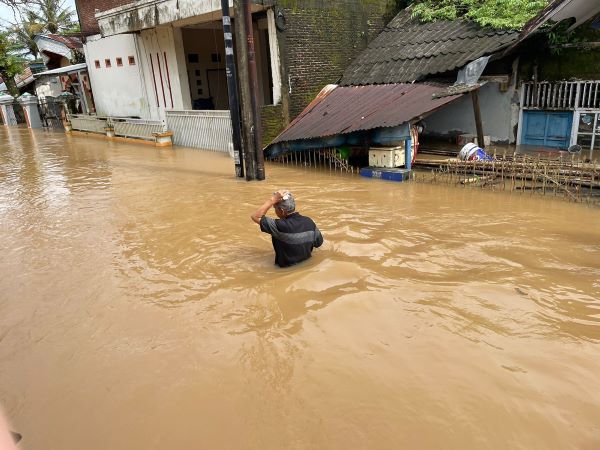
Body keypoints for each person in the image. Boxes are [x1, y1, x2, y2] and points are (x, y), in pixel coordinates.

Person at [251, 190, 323, 267]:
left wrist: (272, 200)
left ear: (282, 211)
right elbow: (319, 243)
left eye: (275, 208)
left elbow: (255, 216)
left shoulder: (279, 226)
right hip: (306, 267)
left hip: (284, 271)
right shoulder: (309, 222)